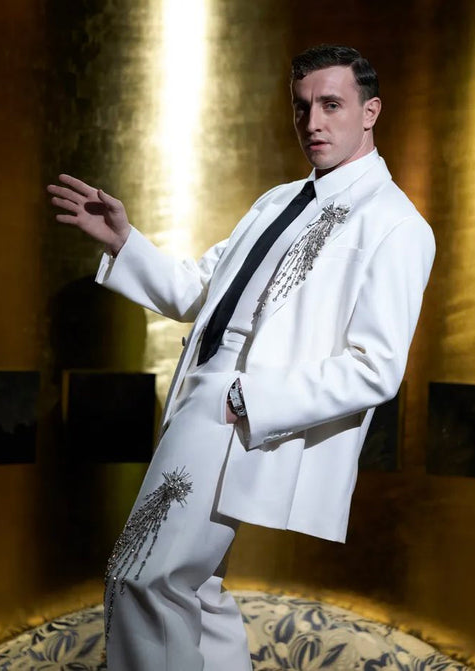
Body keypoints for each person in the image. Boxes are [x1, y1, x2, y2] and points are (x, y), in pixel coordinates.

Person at [47, 44, 435, 671]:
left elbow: (376, 368)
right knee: (194, 591)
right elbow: (199, 292)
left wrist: (247, 399)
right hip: (199, 395)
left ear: (371, 112)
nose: (312, 122)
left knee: (142, 575)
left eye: (331, 105)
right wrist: (124, 241)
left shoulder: (396, 224)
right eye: (302, 106)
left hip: (242, 411)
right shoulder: (277, 200)